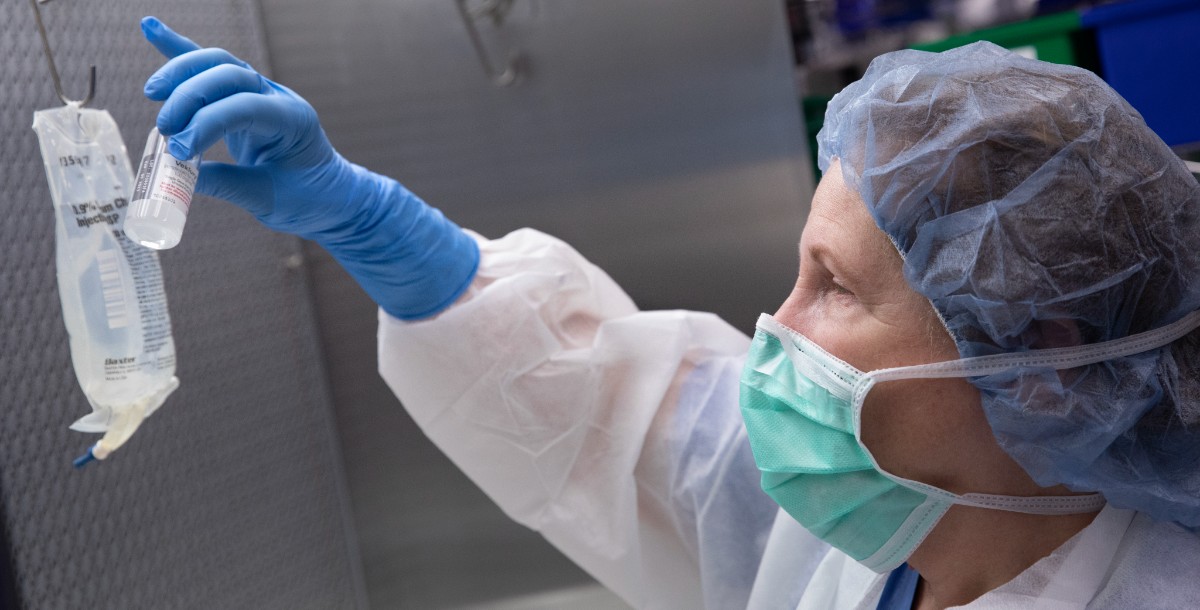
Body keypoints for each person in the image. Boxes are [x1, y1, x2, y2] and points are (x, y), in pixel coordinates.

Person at [139, 15, 1200, 609]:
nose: (776, 326)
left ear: (1043, 363)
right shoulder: (871, 536)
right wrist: (376, 227)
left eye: (834, 286)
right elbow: (629, 424)